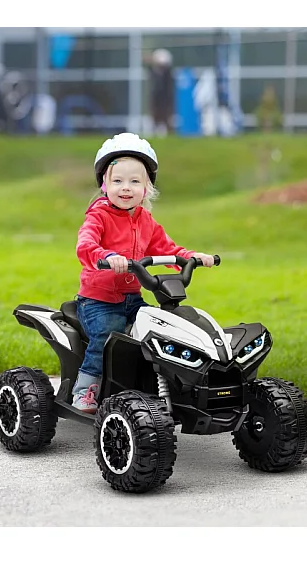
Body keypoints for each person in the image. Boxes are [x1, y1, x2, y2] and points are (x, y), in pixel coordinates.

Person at [72, 132, 216, 413]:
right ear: (105, 184)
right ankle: (84, 390)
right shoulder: (98, 216)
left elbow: (168, 248)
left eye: (134, 181)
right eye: (118, 181)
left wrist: (191, 258)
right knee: (107, 335)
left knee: (159, 328)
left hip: (131, 297)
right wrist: (107, 256)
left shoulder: (145, 220)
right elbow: (85, 245)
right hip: (98, 300)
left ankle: (154, 386)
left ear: (147, 186)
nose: (126, 188)